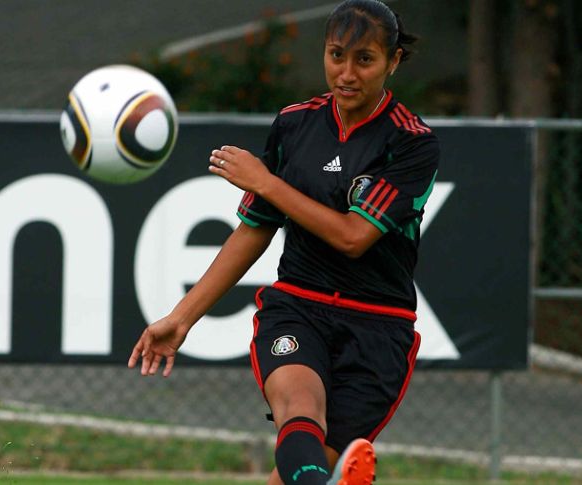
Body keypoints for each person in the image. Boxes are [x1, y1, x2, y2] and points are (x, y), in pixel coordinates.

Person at [128, 1, 439, 484]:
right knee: (300, 406)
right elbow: (254, 229)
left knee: (295, 476)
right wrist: (180, 318)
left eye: (365, 59)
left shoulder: (412, 142)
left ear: (393, 61)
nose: (347, 73)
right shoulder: (296, 124)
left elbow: (354, 237)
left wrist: (267, 181)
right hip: (299, 304)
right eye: (337, 55)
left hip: (378, 325)